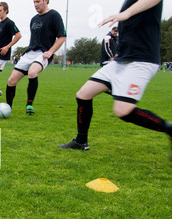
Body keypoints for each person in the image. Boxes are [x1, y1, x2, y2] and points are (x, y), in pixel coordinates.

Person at [58, 0, 171, 160]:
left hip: (141, 60)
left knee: (122, 111)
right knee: (84, 94)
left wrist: (126, 13)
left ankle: (169, 129)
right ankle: (81, 141)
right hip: (121, 61)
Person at [6, 0, 66, 115]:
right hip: (30, 53)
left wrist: (51, 51)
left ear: (46, 1)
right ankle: (7, 108)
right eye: (34, 2)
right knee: (11, 80)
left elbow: (62, 37)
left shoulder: (54, 15)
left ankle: (29, 104)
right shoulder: (34, 19)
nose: (35, 4)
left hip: (43, 54)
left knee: (32, 73)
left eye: (38, 1)